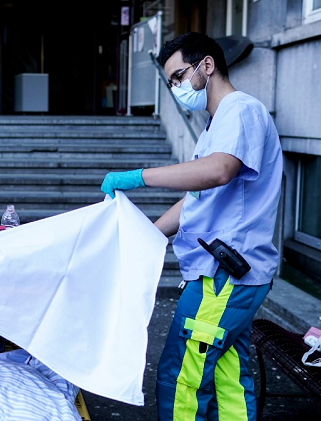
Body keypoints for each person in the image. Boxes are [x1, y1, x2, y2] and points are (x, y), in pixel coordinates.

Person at [101, 32, 282, 420]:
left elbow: (218, 171)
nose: (176, 87)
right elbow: (197, 201)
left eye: (178, 76)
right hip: (229, 274)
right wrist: (146, 235)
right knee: (228, 378)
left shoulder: (240, 110)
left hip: (223, 276)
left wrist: (139, 176)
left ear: (207, 65)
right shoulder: (217, 125)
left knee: (181, 377)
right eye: (170, 82)